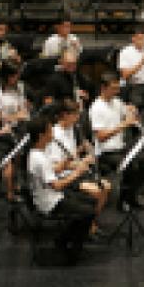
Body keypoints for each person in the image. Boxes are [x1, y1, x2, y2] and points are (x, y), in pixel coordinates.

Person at [26, 116, 97, 262]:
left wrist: (67, 162)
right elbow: (57, 185)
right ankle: (69, 248)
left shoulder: (38, 152)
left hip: (52, 195)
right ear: (41, 135)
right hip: (49, 202)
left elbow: (53, 171)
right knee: (88, 212)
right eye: (50, 131)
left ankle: (66, 238)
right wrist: (77, 172)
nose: (52, 134)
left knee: (90, 201)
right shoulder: (39, 158)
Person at [43, 101, 111, 236]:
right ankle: (89, 227)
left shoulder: (71, 129)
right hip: (64, 176)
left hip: (75, 171)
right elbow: (57, 166)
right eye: (75, 115)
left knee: (107, 186)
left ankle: (90, 223)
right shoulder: (55, 134)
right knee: (97, 191)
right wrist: (80, 163)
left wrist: (83, 149)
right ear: (64, 115)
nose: (78, 118)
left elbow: (70, 154)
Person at [89, 73, 144, 212]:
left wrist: (131, 111)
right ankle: (123, 201)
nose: (117, 92)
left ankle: (133, 196)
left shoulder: (116, 102)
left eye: (118, 88)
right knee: (132, 165)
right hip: (105, 152)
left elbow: (127, 112)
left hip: (120, 147)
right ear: (103, 88)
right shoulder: (96, 107)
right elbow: (100, 137)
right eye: (113, 89)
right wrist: (123, 125)